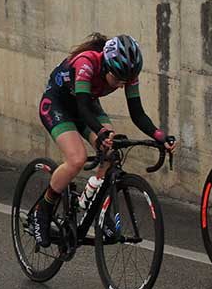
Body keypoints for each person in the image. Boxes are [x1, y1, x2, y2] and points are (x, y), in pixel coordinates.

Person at [31, 33, 175, 250]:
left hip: (87, 105)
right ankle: (42, 210)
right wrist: (99, 133)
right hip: (58, 105)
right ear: (106, 66)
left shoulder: (127, 74)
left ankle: (95, 201)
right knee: (76, 159)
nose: (120, 85)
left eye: (124, 81)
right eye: (117, 79)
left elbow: (137, 113)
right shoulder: (86, 63)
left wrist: (159, 135)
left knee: (112, 149)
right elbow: (82, 108)